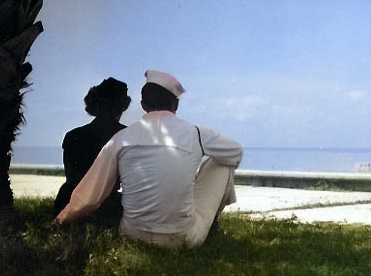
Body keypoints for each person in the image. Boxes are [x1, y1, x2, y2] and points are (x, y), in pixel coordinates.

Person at [56, 70, 243, 246]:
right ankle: (212, 225)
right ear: (176, 104)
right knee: (223, 164)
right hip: (183, 236)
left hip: (132, 233)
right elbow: (235, 153)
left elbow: (90, 195)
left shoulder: (122, 138)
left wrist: (61, 219)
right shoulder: (197, 134)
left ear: (143, 105)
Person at [53, 77, 131, 228]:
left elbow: (72, 177)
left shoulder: (73, 136)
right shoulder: (127, 135)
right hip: (107, 204)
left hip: (67, 201)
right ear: (123, 106)